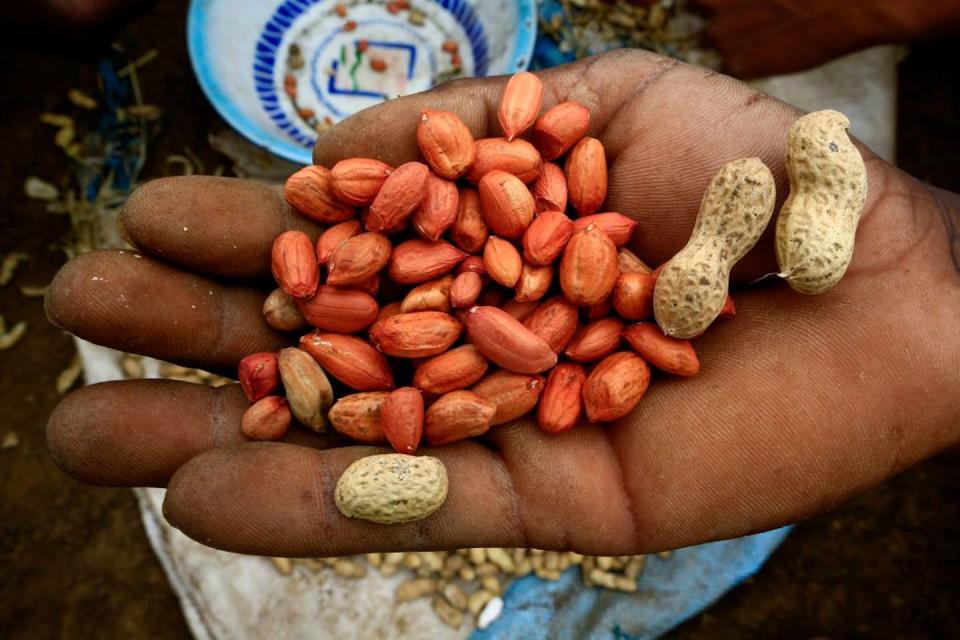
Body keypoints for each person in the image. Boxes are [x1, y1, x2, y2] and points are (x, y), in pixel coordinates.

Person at [43, 49, 960, 557]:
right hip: (481, 334)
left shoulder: (574, 275)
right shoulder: (450, 267)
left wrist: (929, 280)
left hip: (518, 329)